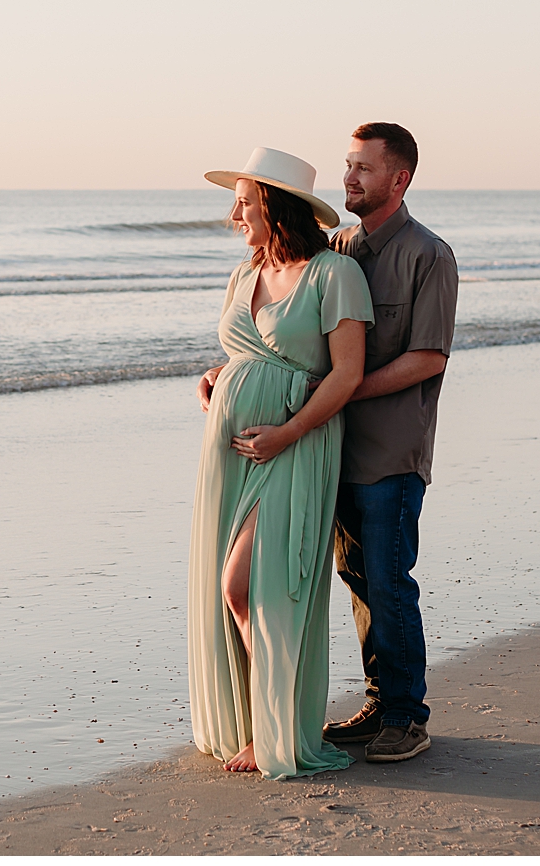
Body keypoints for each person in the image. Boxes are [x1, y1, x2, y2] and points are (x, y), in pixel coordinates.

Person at [188, 146, 373, 779]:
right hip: (232, 449)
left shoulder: (333, 275)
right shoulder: (246, 273)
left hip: (295, 445)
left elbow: (345, 374)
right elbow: (245, 351)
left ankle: (276, 730)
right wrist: (217, 377)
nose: (232, 214)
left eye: (242, 202)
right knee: (236, 591)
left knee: (256, 586)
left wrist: (287, 432)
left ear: (273, 204)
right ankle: (252, 725)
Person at [320, 122, 459, 764]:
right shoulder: (338, 248)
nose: (349, 178)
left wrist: (346, 389)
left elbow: (427, 358)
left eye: (363, 169)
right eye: (347, 166)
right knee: (357, 578)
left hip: (392, 452)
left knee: (389, 580)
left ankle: (408, 716)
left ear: (398, 179)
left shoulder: (430, 254)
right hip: (335, 449)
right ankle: (380, 701)